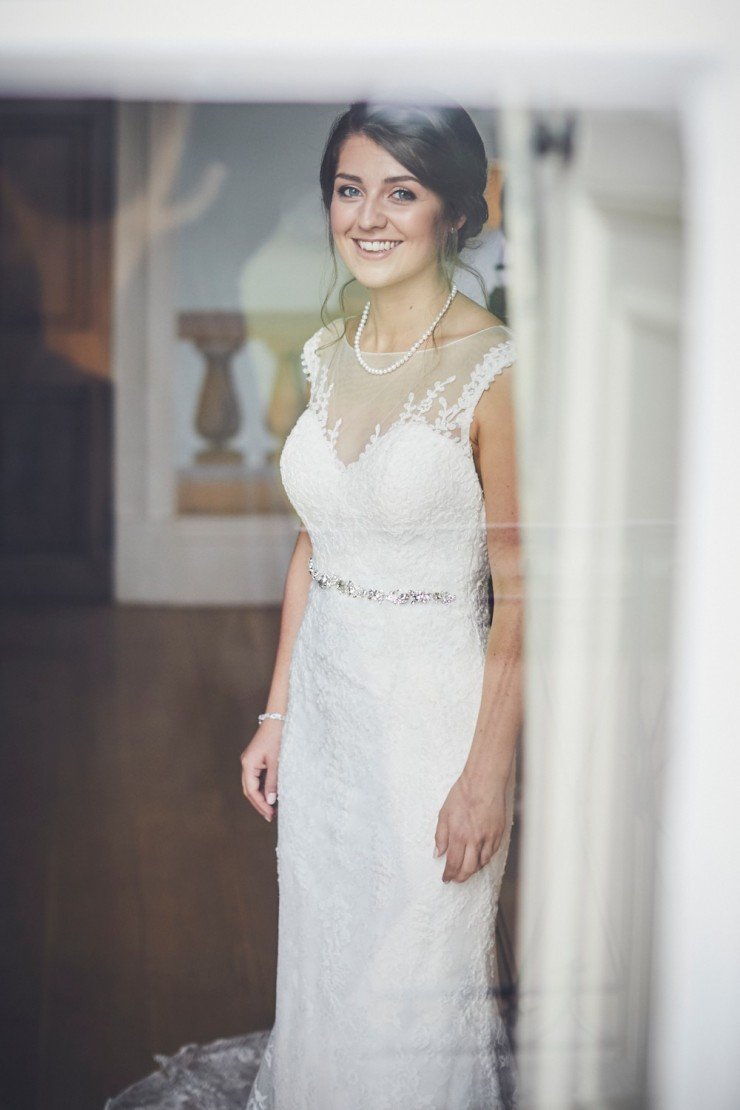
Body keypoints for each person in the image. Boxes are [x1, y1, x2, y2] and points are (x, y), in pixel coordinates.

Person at [241, 97, 524, 1110]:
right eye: (348, 189)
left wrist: (485, 777)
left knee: (415, 978)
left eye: (399, 192)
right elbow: (313, 547)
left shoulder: (494, 370)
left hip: (429, 715)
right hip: (326, 704)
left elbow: (528, 598)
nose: (366, 216)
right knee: (326, 956)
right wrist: (276, 714)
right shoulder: (325, 352)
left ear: (455, 212)